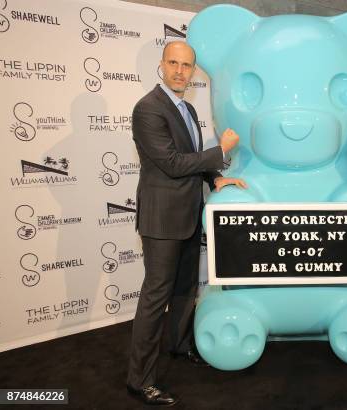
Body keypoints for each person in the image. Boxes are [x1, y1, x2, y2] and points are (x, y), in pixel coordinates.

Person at [127, 41, 246, 406]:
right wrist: (222, 150)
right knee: (155, 298)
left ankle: (178, 346)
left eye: (187, 65)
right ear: (162, 65)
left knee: (184, 290)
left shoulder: (188, 108)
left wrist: (215, 178)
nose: (181, 71)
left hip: (189, 213)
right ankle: (140, 380)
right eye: (174, 63)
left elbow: (192, 160)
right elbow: (174, 163)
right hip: (162, 219)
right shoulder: (148, 108)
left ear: (194, 70)